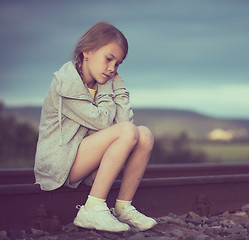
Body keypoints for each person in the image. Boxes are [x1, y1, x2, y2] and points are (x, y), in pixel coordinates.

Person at [34, 21, 157, 232]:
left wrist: (117, 86)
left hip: (82, 158)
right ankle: (92, 209)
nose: (112, 69)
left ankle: (123, 207)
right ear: (87, 52)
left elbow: (123, 123)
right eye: (109, 59)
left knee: (144, 134)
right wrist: (110, 88)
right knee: (128, 131)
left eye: (117, 64)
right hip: (59, 162)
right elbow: (103, 122)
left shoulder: (101, 83)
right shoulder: (66, 83)